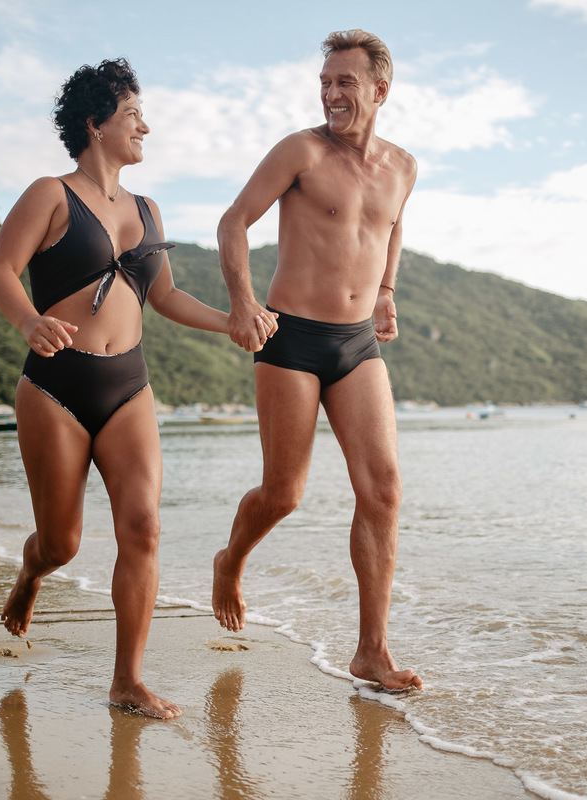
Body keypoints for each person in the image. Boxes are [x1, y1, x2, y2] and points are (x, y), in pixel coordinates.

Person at [0, 58, 273, 719]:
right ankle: (31, 574)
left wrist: (232, 321)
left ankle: (127, 682)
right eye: (133, 114)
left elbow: (164, 295)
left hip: (128, 386)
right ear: (96, 123)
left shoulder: (147, 209)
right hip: (55, 387)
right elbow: (1, 269)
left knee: (143, 528)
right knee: (62, 544)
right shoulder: (49, 194)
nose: (146, 125)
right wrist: (28, 321)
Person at [211, 30, 422, 691]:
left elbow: (393, 228)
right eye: (326, 82)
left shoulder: (404, 167)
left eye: (346, 83)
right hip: (291, 338)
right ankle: (230, 559)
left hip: (357, 340)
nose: (332, 93)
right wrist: (243, 303)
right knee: (284, 494)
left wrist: (386, 293)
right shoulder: (300, 151)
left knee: (382, 490)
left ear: (380, 90)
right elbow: (233, 223)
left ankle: (372, 652)